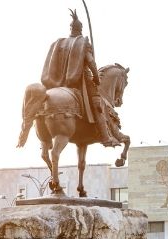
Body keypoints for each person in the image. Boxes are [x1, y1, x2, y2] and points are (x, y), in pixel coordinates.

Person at [40, 9, 118, 147]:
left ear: (71, 28)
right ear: (80, 29)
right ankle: (105, 137)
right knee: (98, 104)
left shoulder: (59, 42)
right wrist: (96, 77)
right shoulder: (83, 42)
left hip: (58, 82)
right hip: (80, 80)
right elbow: (91, 63)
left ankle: (44, 140)